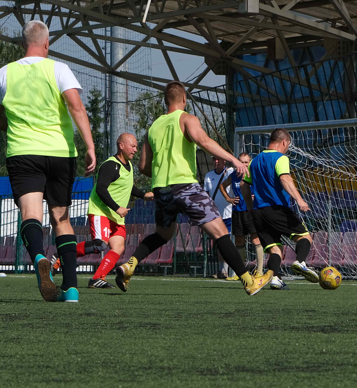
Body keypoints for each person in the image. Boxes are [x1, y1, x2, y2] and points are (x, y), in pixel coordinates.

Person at [115, 81, 271, 295]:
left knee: (162, 234)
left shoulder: (153, 127)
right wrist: (234, 160)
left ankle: (129, 264)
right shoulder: (187, 118)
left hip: (161, 190)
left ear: (165, 101)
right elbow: (204, 141)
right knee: (221, 233)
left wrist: (162, 174)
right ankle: (249, 281)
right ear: (184, 99)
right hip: (186, 187)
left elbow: (142, 166)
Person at [0, 20, 95, 303]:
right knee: (62, 218)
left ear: (23, 44)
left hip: (23, 152)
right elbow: (76, 107)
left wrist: (13, 126)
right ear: (47, 43)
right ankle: (70, 290)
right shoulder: (59, 69)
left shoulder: (4, 73)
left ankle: (39, 258)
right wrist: (90, 146)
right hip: (59, 153)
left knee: (31, 214)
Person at [50, 133, 153, 288]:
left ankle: (97, 278)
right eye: (132, 146)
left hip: (116, 216)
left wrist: (144, 195)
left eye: (136, 146)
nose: (135, 150)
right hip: (101, 212)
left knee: (118, 247)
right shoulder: (110, 165)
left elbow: (128, 186)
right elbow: (100, 189)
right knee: (100, 245)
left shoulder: (129, 166)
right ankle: (60, 255)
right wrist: (117, 208)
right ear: (121, 145)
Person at [242, 128, 317, 288]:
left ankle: (275, 278)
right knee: (304, 237)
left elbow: (244, 185)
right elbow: (284, 178)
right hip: (276, 209)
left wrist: (249, 207)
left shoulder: (254, 161)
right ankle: (301, 262)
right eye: (287, 145)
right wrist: (300, 200)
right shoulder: (280, 158)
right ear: (284, 142)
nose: (287, 148)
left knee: (275, 249)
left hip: (258, 213)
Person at [220, 153, 264, 278]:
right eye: (241, 161)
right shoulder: (234, 175)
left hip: (251, 211)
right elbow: (222, 186)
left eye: (246, 162)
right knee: (239, 240)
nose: (244, 164)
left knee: (256, 239)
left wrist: (257, 197)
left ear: (250, 163)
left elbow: (264, 187)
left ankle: (260, 271)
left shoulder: (254, 175)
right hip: (237, 211)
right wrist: (229, 199)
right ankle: (241, 273)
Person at [203, 156, 235, 279]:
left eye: (218, 159)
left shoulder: (230, 172)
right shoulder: (208, 176)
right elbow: (206, 196)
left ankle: (233, 270)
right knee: (220, 244)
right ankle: (223, 271)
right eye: (214, 159)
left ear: (224, 160)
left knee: (230, 243)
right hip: (216, 216)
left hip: (230, 214)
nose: (216, 162)